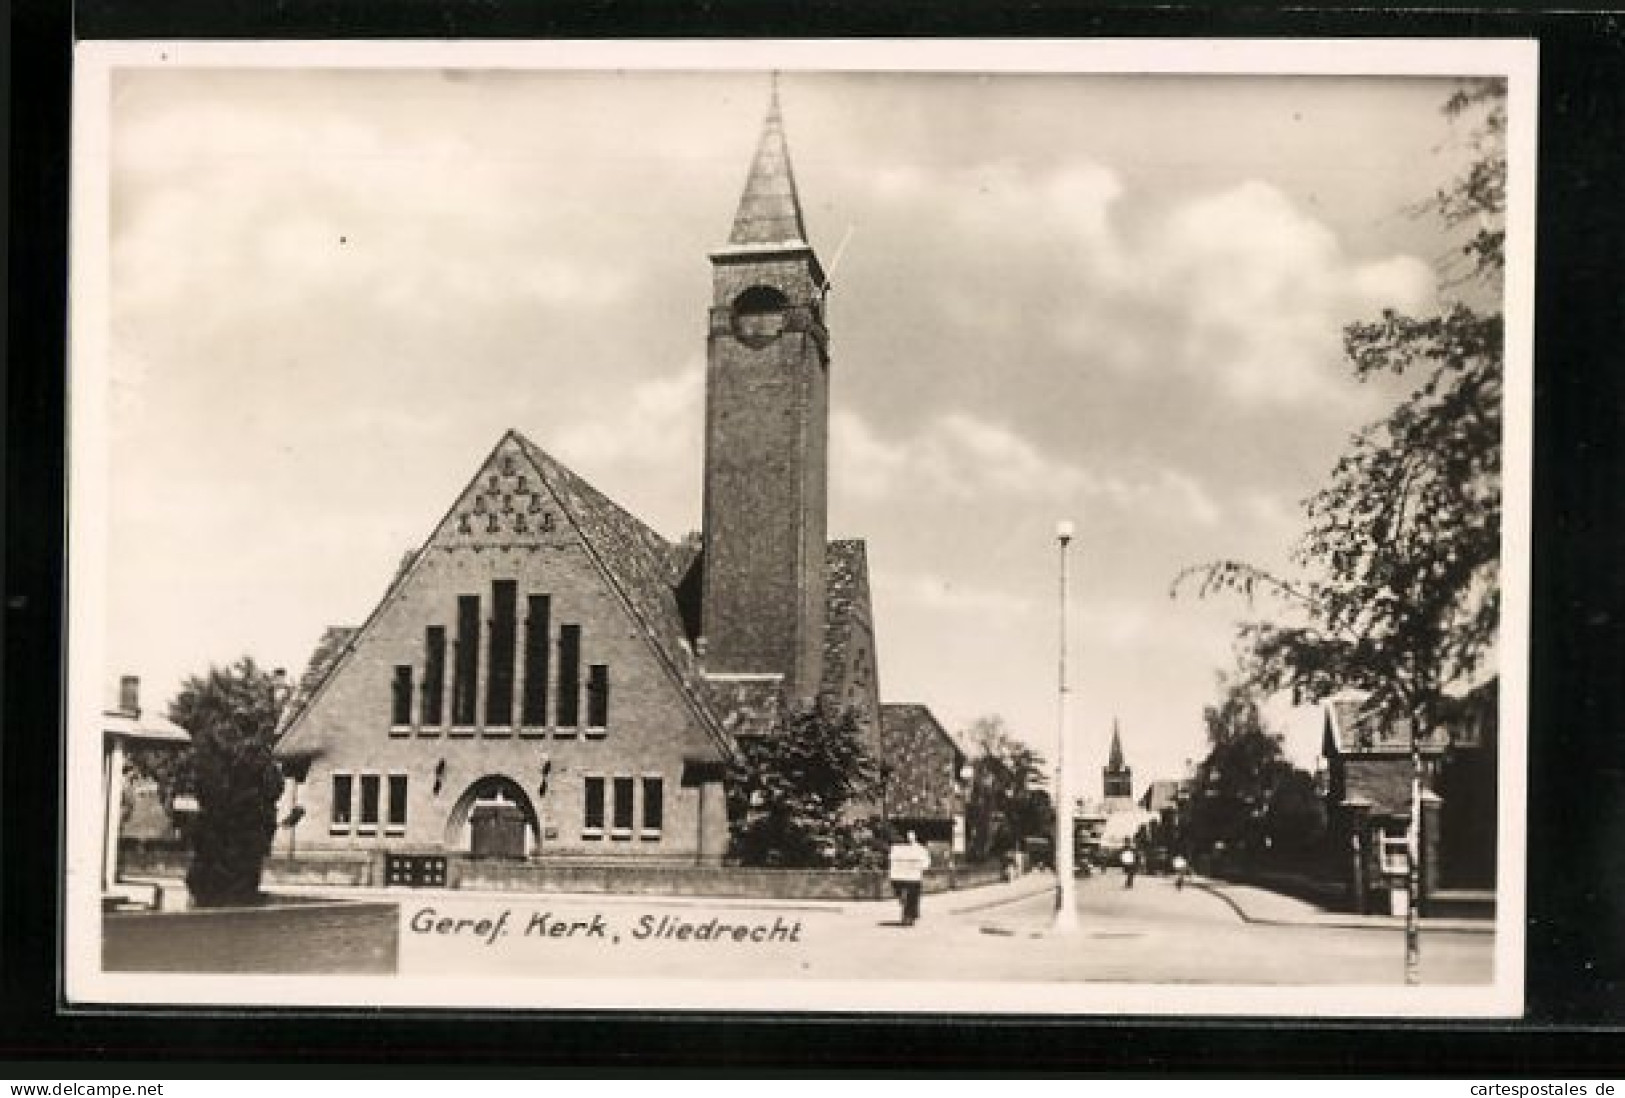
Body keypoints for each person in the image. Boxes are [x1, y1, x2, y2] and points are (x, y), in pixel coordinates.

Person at [888, 830, 930, 926]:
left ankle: (909, 916)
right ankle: (910, 914)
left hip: (908, 877)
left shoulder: (919, 849)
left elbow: (926, 862)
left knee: (911, 897)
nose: (909, 840)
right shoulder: (899, 848)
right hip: (904, 877)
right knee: (908, 897)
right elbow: (892, 859)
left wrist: (920, 867)